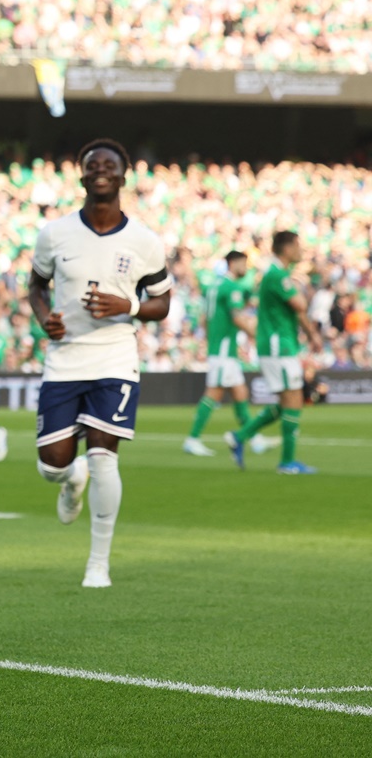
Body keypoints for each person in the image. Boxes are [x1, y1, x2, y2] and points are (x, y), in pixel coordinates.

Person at [28, 138, 172, 589]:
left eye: (110, 165)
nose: (101, 171)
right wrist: (43, 319)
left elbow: (162, 302)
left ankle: (98, 564)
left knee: (105, 458)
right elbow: (36, 285)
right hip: (65, 359)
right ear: (82, 176)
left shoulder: (145, 241)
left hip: (115, 358)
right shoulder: (55, 233)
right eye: (93, 165)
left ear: (124, 175)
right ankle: (72, 479)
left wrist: (125, 305)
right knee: (51, 464)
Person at [224, 231, 323, 474]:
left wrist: (311, 335)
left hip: (279, 344)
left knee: (286, 402)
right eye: (298, 246)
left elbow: (297, 309)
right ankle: (287, 462)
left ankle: (240, 436)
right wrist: (312, 333)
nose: (301, 251)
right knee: (293, 401)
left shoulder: (277, 274)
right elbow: (299, 305)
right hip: (279, 345)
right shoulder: (278, 275)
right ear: (286, 248)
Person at [183, 250, 268, 456]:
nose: (245, 268)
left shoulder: (214, 286)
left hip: (221, 347)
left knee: (240, 393)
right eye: (243, 264)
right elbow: (237, 317)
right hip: (222, 349)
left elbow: (204, 318)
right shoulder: (230, 287)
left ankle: (252, 437)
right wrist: (255, 335)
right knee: (214, 393)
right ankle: (193, 438)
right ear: (234, 263)